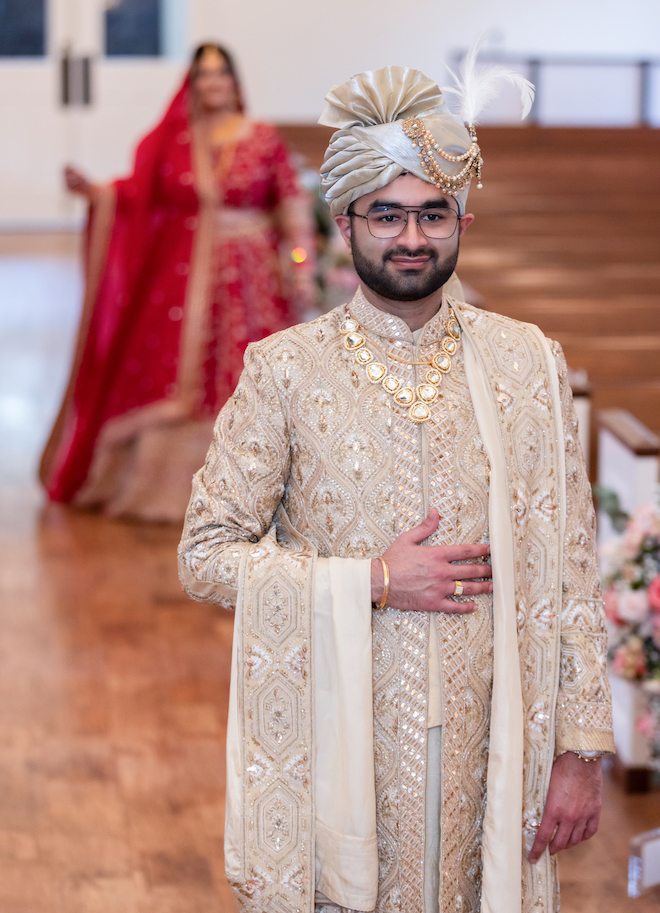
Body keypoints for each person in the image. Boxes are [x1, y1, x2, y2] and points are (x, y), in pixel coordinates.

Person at [178, 58, 615, 913]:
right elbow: (204, 555)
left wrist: (580, 751)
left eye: (431, 214)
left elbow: (571, 569)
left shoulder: (528, 361)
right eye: (387, 215)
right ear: (346, 223)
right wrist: (370, 582)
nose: (411, 238)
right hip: (340, 750)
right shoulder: (284, 371)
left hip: (497, 752)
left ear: (463, 220)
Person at [40, 43, 315, 522]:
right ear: (192, 83)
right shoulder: (175, 140)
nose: (213, 84)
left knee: (255, 373)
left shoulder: (263, 137)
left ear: (234, 81)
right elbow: (141, 197)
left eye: (221, 74)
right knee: (188, 375)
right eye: (203, 75)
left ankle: (268, 492)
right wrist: (97, 194)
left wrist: (301, 262)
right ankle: (180, 491)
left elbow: (290, 203)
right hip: (187, 280)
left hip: (255, 278)